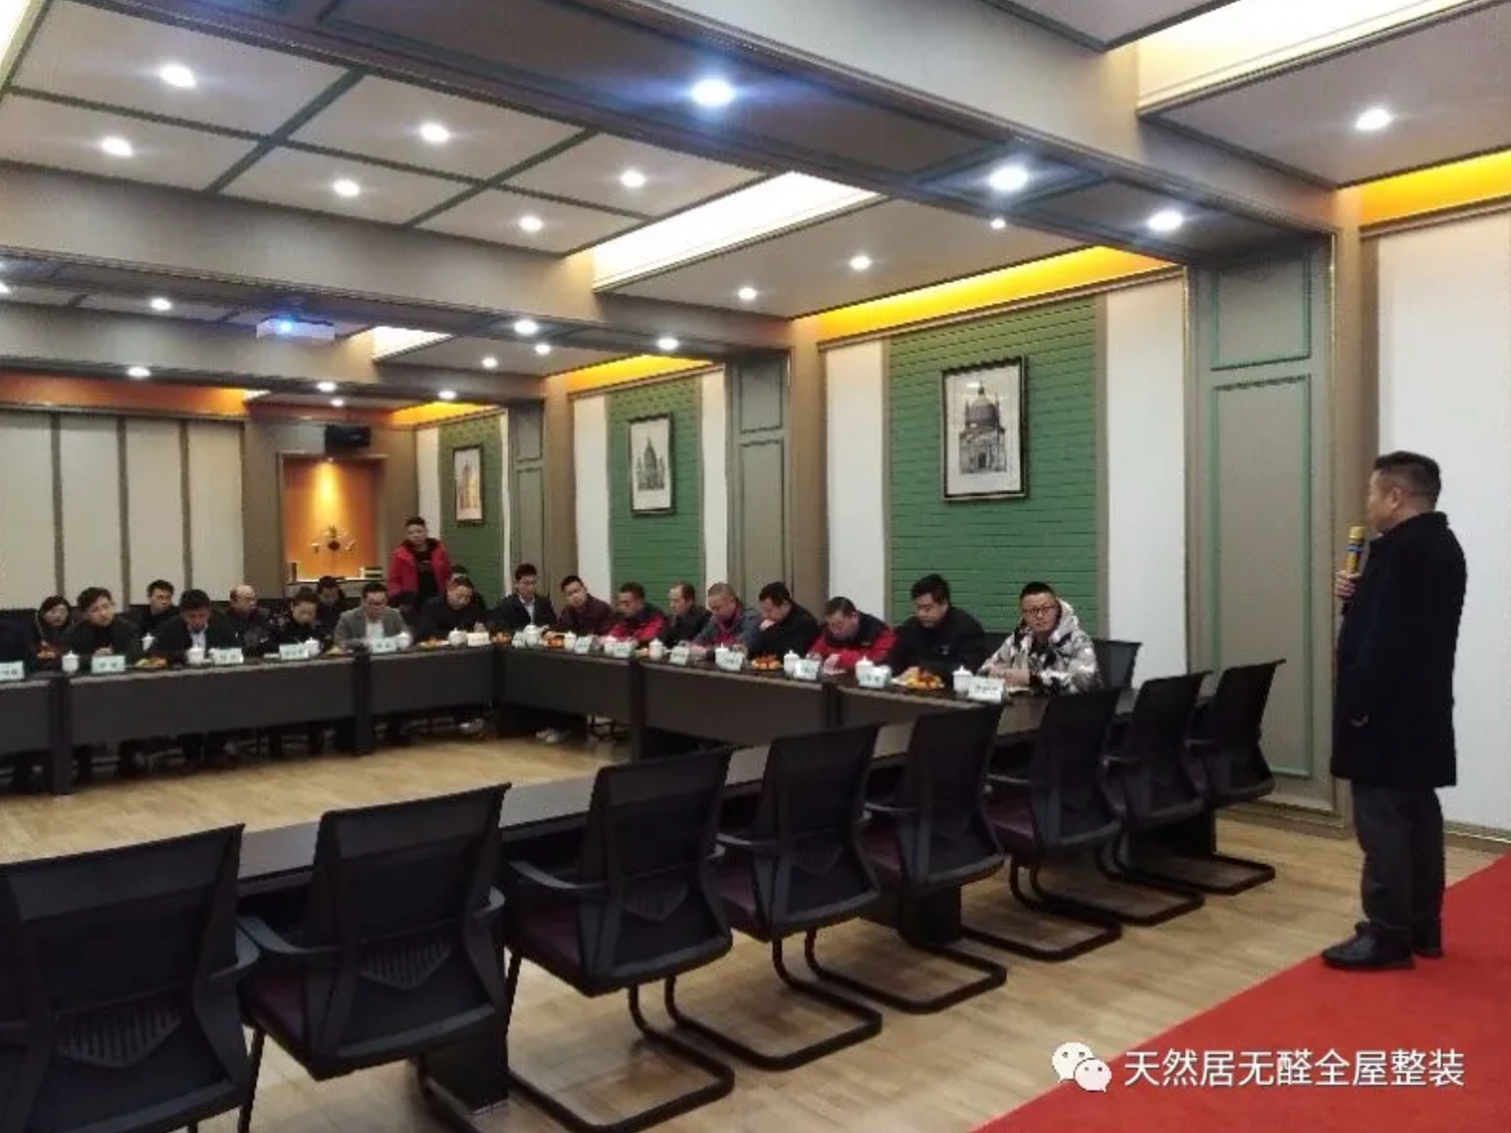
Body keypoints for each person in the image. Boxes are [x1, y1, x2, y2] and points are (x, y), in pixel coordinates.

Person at [1322, 452, 1465, 973]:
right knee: (1418, 817)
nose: (1368, 503)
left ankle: (1387, 935)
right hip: (1419, 709)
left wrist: (1358, 705)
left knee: (1382, 823)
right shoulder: (1436, 546)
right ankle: (1422, 925)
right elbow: (1388, 619)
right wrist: (1356, 594)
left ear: (1395, 496)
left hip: (1384, 714)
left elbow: (1387, 641)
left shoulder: (1407, 554)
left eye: (1372, 492)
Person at [149, 589, 239, 768]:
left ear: (209, 613)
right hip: (182, 685)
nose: (197, 621)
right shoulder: (171, 627)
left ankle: (214, 751)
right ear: (183, 614)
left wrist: (219, 655)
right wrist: (182, 655)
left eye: (202, 616)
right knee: (183, 707)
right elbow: (154, 654)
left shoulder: (221, 624)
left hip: (217, 683)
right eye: (192, 616)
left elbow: (236, 649)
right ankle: (191, 755)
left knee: (231, 701)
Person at [65, 587, 144, 779]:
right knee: (75, 713)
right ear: (84, 614)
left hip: (124, 687)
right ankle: (84, 766)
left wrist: (112, 656)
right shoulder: (74, 633)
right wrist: (94, 658)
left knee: (137, 706)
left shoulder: (128, 628)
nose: (103, 613)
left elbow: (135, 656)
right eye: (95, 610)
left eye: (106, 607)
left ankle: (127, 760)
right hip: (87, 690)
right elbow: (66, 659)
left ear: (113, 606)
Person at [980, 582, 1099, 694]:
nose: (1040, 616)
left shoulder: (1078, 640)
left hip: (1068, 706)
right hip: (1026, 705)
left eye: (1046, 609)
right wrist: (996, 673)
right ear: (1023, 615)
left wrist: (1033, 679)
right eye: (1032, 611)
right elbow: (984, 670)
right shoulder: (1018, 639)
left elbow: (1084, 683)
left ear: (1057, 609)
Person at [335, 581, 412, 748]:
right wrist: (361, 643)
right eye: (372, 603)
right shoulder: (347, 618)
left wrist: (405, 639)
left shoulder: (393, 614)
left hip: (389, 670)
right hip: (359, 671)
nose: (377, 607)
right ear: (363, 601)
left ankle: (396, 731)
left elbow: (407, 633)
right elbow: (339, 643)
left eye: (381, 603)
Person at [268, 588, 335, 757]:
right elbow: (265, 646)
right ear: (293, 607)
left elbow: (329, 642)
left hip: (311, 676)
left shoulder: (317, 624)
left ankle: (316, 740)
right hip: (281, 676)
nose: (306, 616)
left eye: (311, 613)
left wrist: (320, 647)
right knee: (274, 701)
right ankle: (275, 745)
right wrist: (291, 650)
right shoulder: (278, 622)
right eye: (302, 612)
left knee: (319, 695)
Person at [886, 573, 988, 680]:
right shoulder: (910, 627)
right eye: (918, 608)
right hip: (909, 688)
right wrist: (883, 670)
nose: (921, 614)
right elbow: (893, 660)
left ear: (944, 604)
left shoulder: (967, 628)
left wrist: (927, 669)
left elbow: (970, 668)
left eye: (927, 609)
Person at [810, 597, 896, 673]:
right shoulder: (829, 632)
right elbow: (815, 651)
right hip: (839, 682)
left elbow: (880, 662)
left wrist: (843, 659)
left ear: (854, 617)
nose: (835, 632)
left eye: (840, 625)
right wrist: (815, 657)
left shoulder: (878, 631)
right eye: (831, 626)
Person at [387, 516, 452, 610]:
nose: (415, 535)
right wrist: (398, 599)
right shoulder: (399, 554)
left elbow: (448, 574)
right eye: (410, 533)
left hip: (437, 598)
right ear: (406, 535)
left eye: (419, 531)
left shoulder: (440, 550)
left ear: (426, 532)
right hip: (412, 602)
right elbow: (394, 580)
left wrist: (448, 594)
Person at [749, 582, 821, 658]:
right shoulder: (775, 620)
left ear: (785, 605)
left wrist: (772, 630)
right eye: (763, 610)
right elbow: (754, 654)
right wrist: (760, 633)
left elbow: (789, 657)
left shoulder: (804, 623)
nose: (764, 615)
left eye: (769, 610)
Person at [416, 575, 491, 641]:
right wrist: (454, 635)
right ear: (449, 591)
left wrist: (481, 631)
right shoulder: (432, 606)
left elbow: (484, 626)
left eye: (467, 597)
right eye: (459, 596)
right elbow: (426, 632)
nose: (463, 601)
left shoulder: (473, 608)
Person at [692, 582, 761, 652]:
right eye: (712, 609)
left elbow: (739, 646)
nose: (714, 613)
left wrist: (708, 650)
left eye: (718, 608)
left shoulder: (751, 618)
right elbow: (697, 643)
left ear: (732, 601)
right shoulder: (715, 620)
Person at [494, 562, 556, 633]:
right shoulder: (505, 605)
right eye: (526, 583)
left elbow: (554, 625)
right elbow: (501, 632)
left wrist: (547, 628)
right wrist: (523, 632)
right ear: (516, 584)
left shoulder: (544, 602)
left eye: (533, 583)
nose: (531, 588)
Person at [226, 584, 273, 655]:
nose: (252, 603)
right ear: (233, 603)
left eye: (254, 599)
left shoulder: (264, 617)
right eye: (247, 599)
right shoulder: (224, 621)